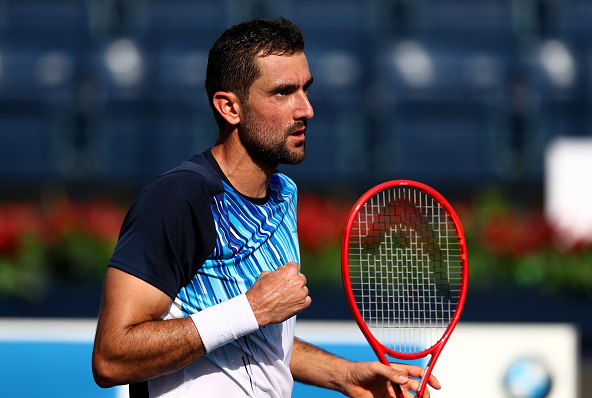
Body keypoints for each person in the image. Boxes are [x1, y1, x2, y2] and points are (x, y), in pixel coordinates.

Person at [92, 17, 441, 398]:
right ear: (229, 108)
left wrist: (342, 375)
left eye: (306, 89)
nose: (306, 109)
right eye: (282, 92)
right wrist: (250, 309)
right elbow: (112, 358)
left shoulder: (283, 194)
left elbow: (249, 339)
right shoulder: (178, 199)